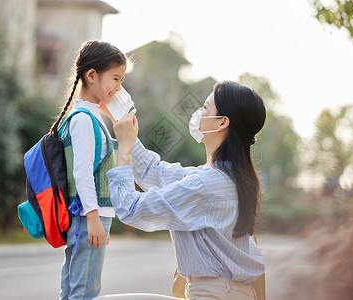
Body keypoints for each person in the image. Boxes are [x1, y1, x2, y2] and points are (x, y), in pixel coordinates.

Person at [106, 81, 266, 300]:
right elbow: (154, 172)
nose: (199, 113)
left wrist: (124, 150)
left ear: (222, 123)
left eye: (205, 108)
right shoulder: (229, 178)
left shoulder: (207, 184)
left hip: (214, 295)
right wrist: (119, 115)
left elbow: (131, 209)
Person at [52, 40, 127, 300]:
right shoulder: (84, 119)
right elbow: (82, 173)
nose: (119, 88)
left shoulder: (89, 116)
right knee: (85, 292)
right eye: (115, 79)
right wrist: (94, 218)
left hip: (86, 215)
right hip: (87, 215)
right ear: (92, 75)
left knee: (74, 289)